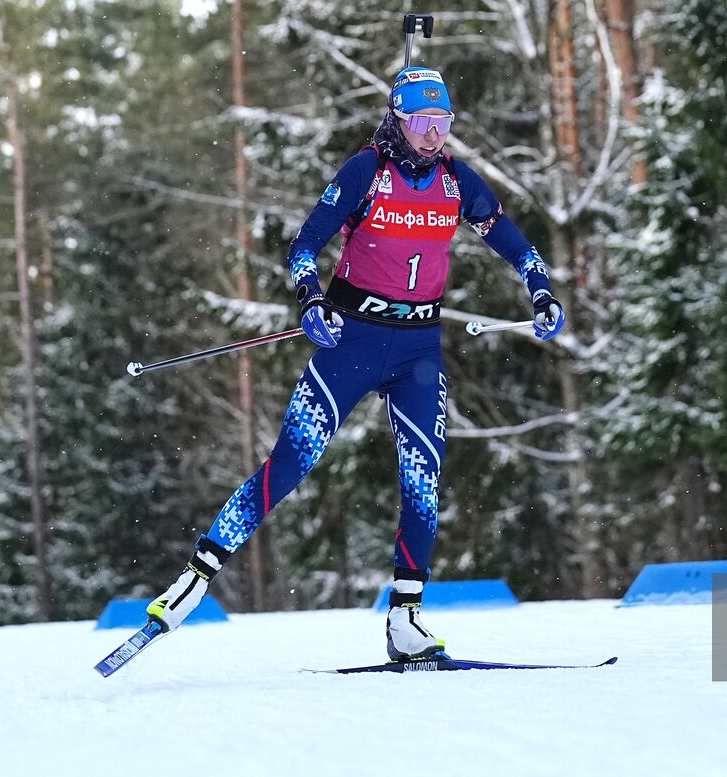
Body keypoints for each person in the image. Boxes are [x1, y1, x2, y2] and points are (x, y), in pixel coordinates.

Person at [145, 66, 564, 661]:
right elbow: (304, 246)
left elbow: (511, 239)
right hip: (354, 341)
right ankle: (194, 577)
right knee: (291, 462)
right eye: (422, 122)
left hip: (419, 349)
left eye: (442, 123)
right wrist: (311, 300)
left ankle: (406, 620)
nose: (433, 135)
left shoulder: (455, 181)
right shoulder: (367, 169)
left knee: (424, 478)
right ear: (398, 118)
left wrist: (541, 291)